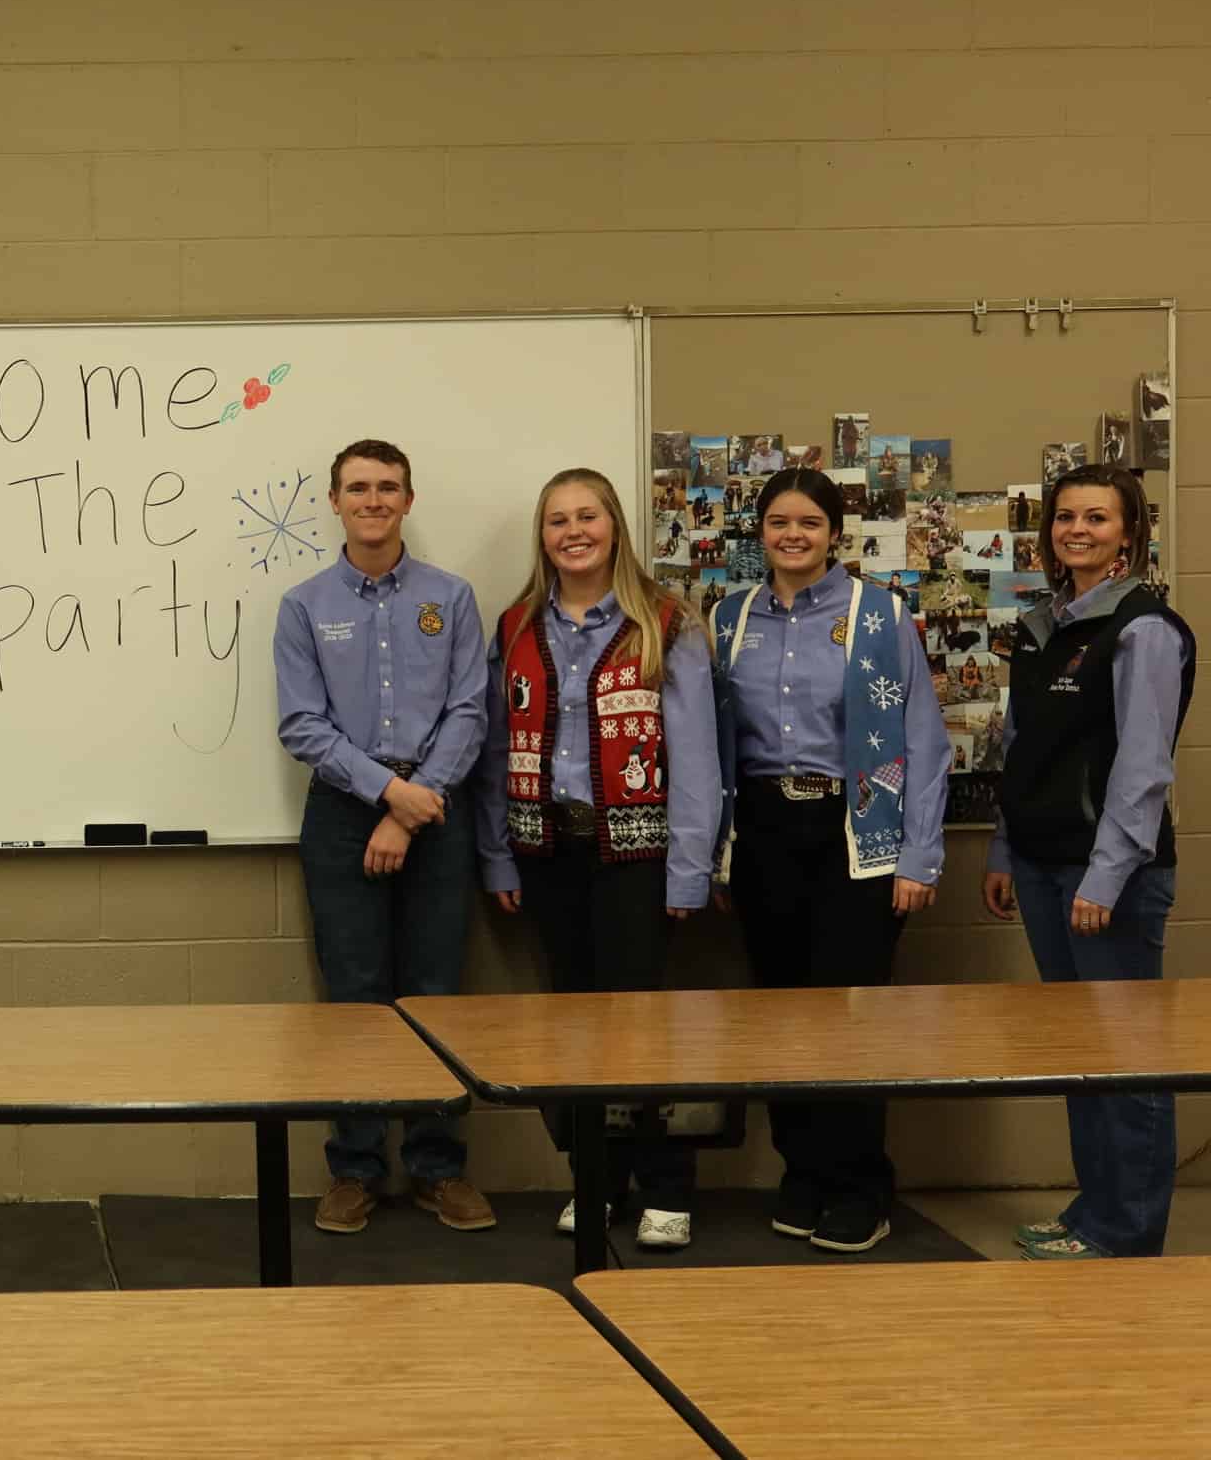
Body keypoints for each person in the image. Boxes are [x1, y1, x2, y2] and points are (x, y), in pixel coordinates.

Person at [477, 468, 716, 1251]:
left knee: (641, 1027)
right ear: (542, 536)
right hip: (545, 851)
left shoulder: (665, 622)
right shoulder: (515, 625)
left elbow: (697, 759)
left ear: (614, 525)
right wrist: (500, 859)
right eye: (556, 520)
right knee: (570, 1030)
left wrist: (687, 869)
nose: (572, 531)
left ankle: (665, 1185)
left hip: (636, 856)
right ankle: (597, 1180)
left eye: (587, 515)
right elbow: (492, 750)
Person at [710, 468, 946, 1254]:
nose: (793, 535)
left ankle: (858, 1185)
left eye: (809, 522)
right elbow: (710, 741)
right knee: (780, 1016)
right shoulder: (728, 618)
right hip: (766, 830)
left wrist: (919, 856)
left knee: (851, 1019)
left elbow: (924, 743)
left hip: (857, 835)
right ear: (760, 531)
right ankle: (802, 1172)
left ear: (835, 533)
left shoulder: (881, 615)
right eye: (778, 521)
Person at [273, 439, 493, 1236]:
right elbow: (302, 724)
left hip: (436, 810)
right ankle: (357, 1169)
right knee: (357, 1000)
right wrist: (384, 794)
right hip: (341, 812)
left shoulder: (452, 597)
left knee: (435, 994)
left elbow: (470, 708)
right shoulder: (304, 606)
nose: (373, 499)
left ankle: (440, 1169)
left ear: (409, 498)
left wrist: (411, 805)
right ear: (334, 500)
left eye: (387, 486)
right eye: (357, 487)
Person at [984, 465, 1192, 1262]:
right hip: (1040, 866)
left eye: (1097, 517)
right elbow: (1021, 749)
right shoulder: (1042, 627)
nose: (1077, 529)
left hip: (1109, 878)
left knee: (1128, 1062)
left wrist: (1103, 880)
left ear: (1129, 533)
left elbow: (1142, 772)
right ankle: (1090, 1213)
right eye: (1065, 516)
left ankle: (1126, 1233)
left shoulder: (1144, 629)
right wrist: (1005, 847)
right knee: (1081, 1056)